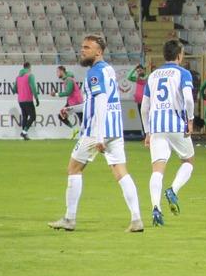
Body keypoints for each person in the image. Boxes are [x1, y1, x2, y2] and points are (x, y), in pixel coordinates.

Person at [48, 34, 143, 232]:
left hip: (97, 130)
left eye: (87, 48)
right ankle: (136, 220)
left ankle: (69, 219)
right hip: (115, 128)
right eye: (82, 47)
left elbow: (100, 102)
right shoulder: (108, 69)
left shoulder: (94, 73)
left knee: (74, 169)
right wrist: (72, 109)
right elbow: (96, 101)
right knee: (121, 172)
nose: (82, 51)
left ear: (98, 52)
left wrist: (99, 137)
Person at [141, 40, 196, 227]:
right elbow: (188, 100)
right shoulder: (183, 73)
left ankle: (156, 209)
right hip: (177, 125)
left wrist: (147, 132)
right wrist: (190, 120)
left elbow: (144, 107)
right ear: (179, 55)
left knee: (157, 170)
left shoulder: (153, 75)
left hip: (157, 127)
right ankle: (173, 189)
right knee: (188, 161)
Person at [53, 65, 84, 133]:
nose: (57, 74)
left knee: (82, 120)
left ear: (62, 71)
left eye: (57, 72)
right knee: (61, 115)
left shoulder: (69, 79)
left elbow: (68, 92)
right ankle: (75, 130)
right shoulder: (66, 79)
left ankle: (84, 134)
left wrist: (56, 94)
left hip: (76, 103)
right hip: (72, 102)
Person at [13, 62, 39, 140]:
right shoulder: (30, 75)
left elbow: (14, 89)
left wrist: (20, 92)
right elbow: (33, 88)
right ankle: (24, 132)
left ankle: (24, 135)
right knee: (33, 116)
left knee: (25, 117)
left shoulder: (18, 77)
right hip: (28, 99)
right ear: (29, 68)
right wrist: (36, 98)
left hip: (20, 100)